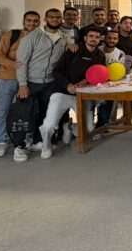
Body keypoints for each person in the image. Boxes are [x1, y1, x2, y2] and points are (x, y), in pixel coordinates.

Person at [38, 27, 106, 159]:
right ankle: (46, 146)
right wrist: (67, 85)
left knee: (89, 128)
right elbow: (56, 71)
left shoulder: (100, 55)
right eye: (91, 36)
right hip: (62, 93)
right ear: (85, 38)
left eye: (97, 37)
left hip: (83, 95)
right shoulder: (73, 50)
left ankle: (70, 127)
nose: (94, 39)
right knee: (49, 124)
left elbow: (100, 74)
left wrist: (87, 80)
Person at [15, 8, 69, 162]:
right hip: (31, 82)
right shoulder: (32, 37)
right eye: (51, 17)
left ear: (61, 19)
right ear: (45, 19)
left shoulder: (64, 38)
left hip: (51, 83)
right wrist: (22, 84)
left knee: (46, 114)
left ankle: (40, 142)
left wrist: (72, 46)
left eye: (58, 17)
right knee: (25, 115)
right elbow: (21, 62)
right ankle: (20, 147)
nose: (55, 19)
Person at [0, 10, 40, 158]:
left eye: (35, 21)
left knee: (27, 111)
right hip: (7, 79)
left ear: (39, 23)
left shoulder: (40, 38)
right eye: (29, 20)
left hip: (28, 80)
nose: (32, 23)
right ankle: (1, 141)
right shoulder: (12, 35)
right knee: (3, 111)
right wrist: (13, 64)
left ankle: (26, 138)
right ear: (23, 21)